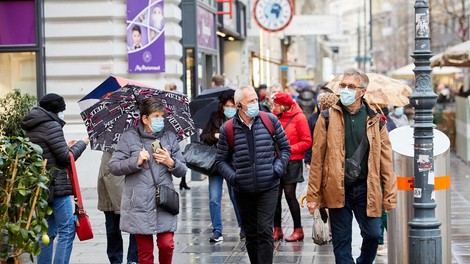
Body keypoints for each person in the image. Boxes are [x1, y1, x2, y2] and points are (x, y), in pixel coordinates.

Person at [306, 69, 397, 264]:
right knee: (341, 241)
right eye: (343, 85)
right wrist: (313, 195)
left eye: (351, 86)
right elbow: (317, 158)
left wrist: (390, 194)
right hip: (337, 188)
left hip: (368, 188)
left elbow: (386, 161)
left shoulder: (375, 119)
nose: (345, 90)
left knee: (373, 235)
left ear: (362, 92)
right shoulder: (327, 117)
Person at [216, 85, 291, 263]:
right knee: (251, 233)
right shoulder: (228, 129)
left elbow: (285, 148)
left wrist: (277, 169)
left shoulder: (269, 120)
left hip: (269, 186)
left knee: (265, 230)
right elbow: (220, 161)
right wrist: (234, 178)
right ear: (239, 105)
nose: (255, 104)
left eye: (256, 100)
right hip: (243, 189)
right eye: (250, 101)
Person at [108, 97, 187, 264]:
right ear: (144, 118)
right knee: (145, 254)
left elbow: (183, 170)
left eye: (162, 116)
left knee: (167, 245)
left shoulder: (170, 137)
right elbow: (113, 166)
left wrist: (170, 162)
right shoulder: (129, 137)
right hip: (139, 203)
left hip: (164, 201)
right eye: (156, 116)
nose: (160, 120)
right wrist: (135, 160)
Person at [21, 93, 89, 264]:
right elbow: (66, 159)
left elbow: (47, 152)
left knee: (47, 233)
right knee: (67, 230)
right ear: (55, 110)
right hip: (57, 186)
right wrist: (83, 143)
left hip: (41, 187)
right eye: (62, 110)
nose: (63, 114)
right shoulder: (51, 125)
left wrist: (65, 146)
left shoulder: (33, 125)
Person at [200, 92, 244, 242]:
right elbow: (204, 137)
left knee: (236, 196)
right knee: (214, 198)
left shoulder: (241, 119)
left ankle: (243, 228)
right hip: (216, 162)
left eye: (233, 106)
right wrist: (215, 135)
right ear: (223, 107)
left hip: (234, 163)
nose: (230, 108)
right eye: (227, 106)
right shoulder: (215, 117)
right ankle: (217, 230)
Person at [271, 92, 312, 242]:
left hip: (292, 161)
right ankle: (277, 229)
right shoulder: (274, 116)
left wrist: (288, 149)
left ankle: (298, 229)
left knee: (289, 194)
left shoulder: (299, 118)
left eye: (276, 104)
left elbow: (307, 141)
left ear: (284, 105)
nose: (273, 107)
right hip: (276, 161)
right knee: (275, 195)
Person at [97, 151, 138, 264]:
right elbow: (106, 172)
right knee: (114, 226)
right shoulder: (109, 144)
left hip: (131, 183)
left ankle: (132, 260)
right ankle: (126, 260)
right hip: (112, 184)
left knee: (136, 225)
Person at [164, 83, 190, 190]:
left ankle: (181, 182)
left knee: (171, 156)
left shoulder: (166, 100)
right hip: (180, 133)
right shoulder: (181, 99)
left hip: (172, 134)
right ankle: (183, 182)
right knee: (181, 157)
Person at [304, 91, 337, 167]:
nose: (321, 105)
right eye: (319, 102)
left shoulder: (337, 118)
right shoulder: (313, 118)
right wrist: (307, 159)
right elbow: (309, 139)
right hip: (317, 154)